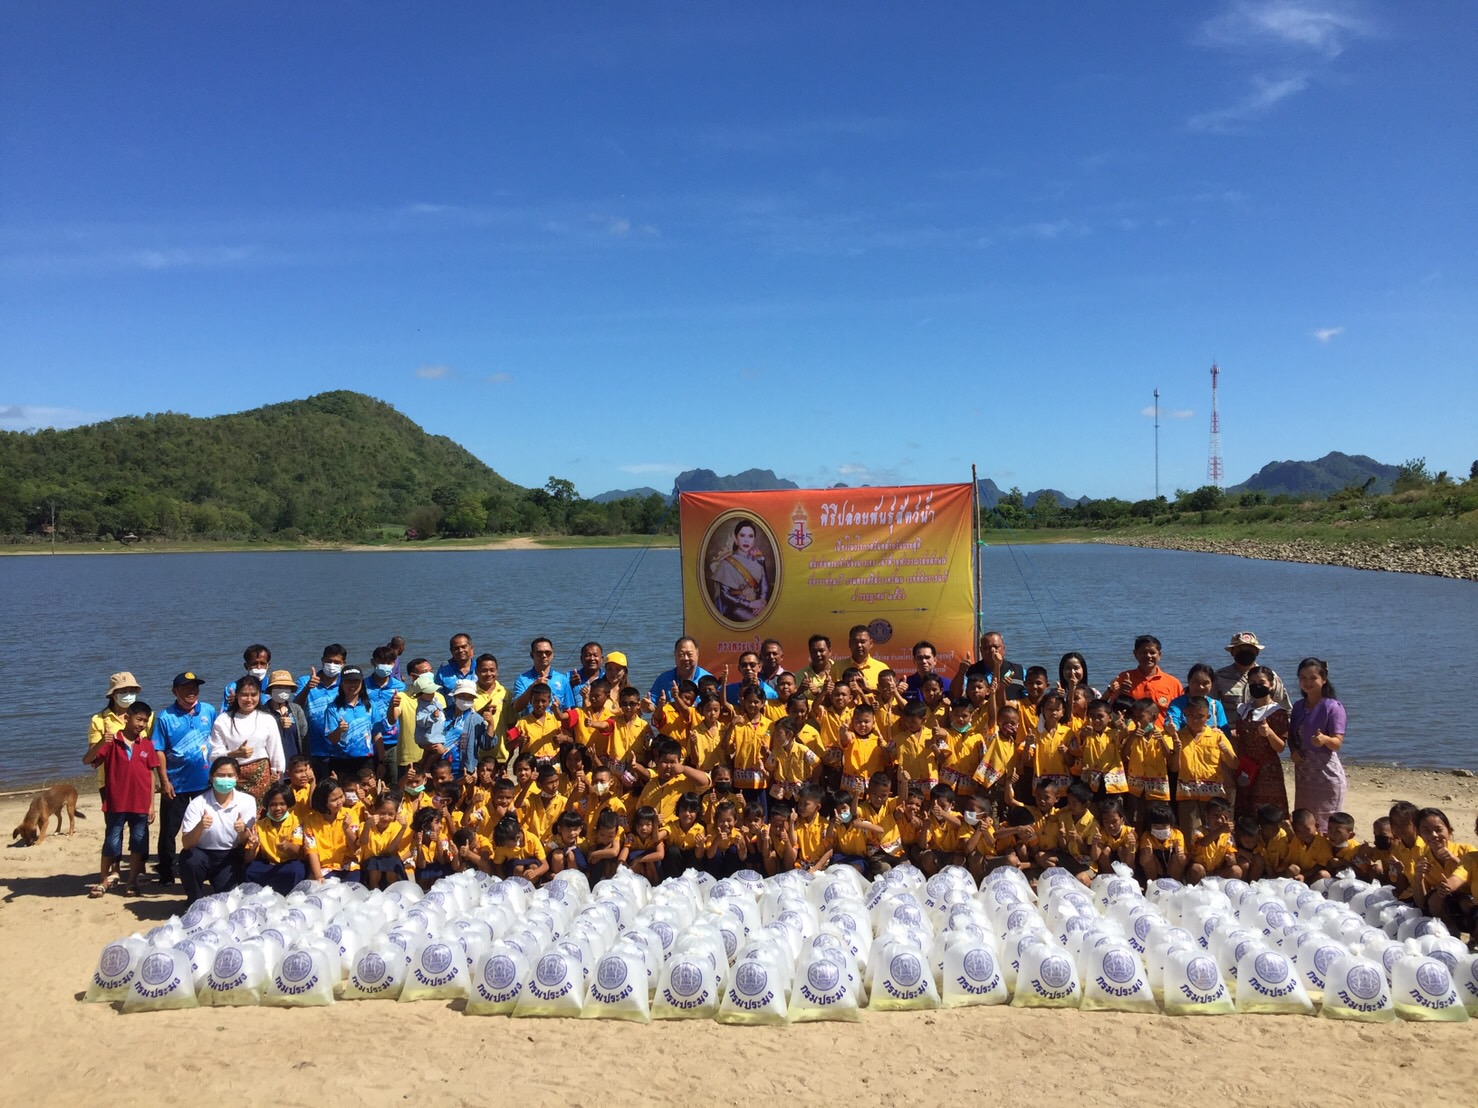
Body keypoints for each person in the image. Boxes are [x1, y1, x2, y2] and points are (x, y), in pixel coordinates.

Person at [82, 699, 163, 898]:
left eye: (145, 721)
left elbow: (151, 775)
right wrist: (103, 741)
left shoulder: (146, 744)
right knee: (111, 842)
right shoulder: (112, 742)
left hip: (140, 804)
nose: (141, 725)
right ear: (127, 718)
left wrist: (152, 805)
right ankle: (103, 880)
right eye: (138, 719)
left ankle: (132, 882)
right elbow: (88, 760)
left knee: (138, 843)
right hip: (116, 803)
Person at [151, 671, 217, 887]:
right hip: (176, 784)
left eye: (195, 687)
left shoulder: (208, 710)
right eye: (187, 687)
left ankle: (205, 866)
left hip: (204, 782)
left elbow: (216, 741)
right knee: (170, 830)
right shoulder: (165, 717)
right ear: (175, 691)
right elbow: (158, 750)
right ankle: (166, 871)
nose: (192, 691)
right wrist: (164, 780)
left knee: (206, 826)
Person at [178, 755, 257, 903]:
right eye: (220, 775)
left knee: (228, 901)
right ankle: (194, 900)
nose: (225, 779)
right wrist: (200, 826)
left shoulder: (247, 801)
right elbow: (187, 844)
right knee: (190, 859)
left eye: (230, 775)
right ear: (211, 777)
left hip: (229, 856)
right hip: (202, 854)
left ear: (237, 778)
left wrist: (242, 830)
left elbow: (245, 842)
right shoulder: (198, 803)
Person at [1288, 657, 1347, 832]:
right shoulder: (1298, 706)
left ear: (1324, 679)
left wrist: (1325, 740)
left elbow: (1337, 743)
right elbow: (1291, 736)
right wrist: (1293, 750)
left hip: (1326, 775)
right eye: (1303, 678)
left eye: (1313, 678)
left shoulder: (1334, 707)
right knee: (1304, 822)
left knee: (1328, 827)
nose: (1307, 682)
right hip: (1304, 774)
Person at [209, 674, 285, 805]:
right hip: (232, 777)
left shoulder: (267, 719)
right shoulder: (223, 720)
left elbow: (275, 751)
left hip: (262, 777)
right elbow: (214, 754)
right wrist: (234, 754)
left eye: (254, 695)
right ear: (237, 695)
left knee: (262, 815)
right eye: (244, 695)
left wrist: (277, 773)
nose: (249, 699)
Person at [1229, 665, 1289, 820]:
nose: (1257, 685)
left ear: (1271, 684)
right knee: (1245, 811)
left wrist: (1269, 733)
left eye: (1261, 682)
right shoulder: (1243, 710)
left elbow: (1280, 747)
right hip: (1246, 767)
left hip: (1267, 770)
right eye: (1253, 682)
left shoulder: (1278, 713)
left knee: (1269, 815)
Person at [1212, 631, 1291, 722]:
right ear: (1232, 652)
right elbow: (1211, 707)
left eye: (1250, 650)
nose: (1245, 653)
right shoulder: (1219, 677)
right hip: (1229, 730)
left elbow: (1284, 708)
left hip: (1264, 730)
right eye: (1240, 649)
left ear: (1257, 652)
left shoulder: (1270, 677)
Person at [243, 783, 306, 894]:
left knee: (296, 869)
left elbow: (299, 851)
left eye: (282, 804)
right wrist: (252, 848)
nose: (278, 808)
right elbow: (248, 859)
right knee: (249, 870)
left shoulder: (296, 822)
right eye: (273, 804)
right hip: (268, 865)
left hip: (288, 864)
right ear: (267, 806)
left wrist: (288, 846)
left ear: (288, 805)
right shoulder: (259, 825)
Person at [320, 666, 380, 782]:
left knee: (367, 795)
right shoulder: (332, 708)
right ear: (341, 683)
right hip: (340, 761)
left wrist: (381, 761)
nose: (352, 685)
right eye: (348, 681)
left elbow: (377, 734)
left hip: (366, 760)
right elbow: (332, 740)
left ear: (362, 683)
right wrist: (339, 730)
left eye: (356, 681)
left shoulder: (370, 706)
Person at [1108, 635, 1183, 727]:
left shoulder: (1173, 683)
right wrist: (1120, 693)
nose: (1148, 656)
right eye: (1143, 652)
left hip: (1162, 736)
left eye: (1152, 653)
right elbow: (1109, 711)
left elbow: (1181, 713)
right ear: (1135, 654)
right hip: (1131, 736)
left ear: (1159, 655)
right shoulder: (1123, 678)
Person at [708, 517, 769, 621]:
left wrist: (761, 602)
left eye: (750, 536)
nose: (746, 540)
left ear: (754, 541)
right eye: (742, 535)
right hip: (735, 608)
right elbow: (725, 595)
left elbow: (764, 587)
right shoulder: (726, 564)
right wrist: (750, 604)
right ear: (736, 540)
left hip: (757, 605)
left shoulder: (758, 561)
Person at [364, 644, 406, 786]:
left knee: (394, 783)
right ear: (373, 662)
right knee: (370, 783)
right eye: (381, 662)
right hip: (369, 742)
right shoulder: (363, 686)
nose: (385, 666)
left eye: (389, 663)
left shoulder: (400, 687)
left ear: (394, 664)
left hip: (393, 742)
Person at [953, 630, 1025, 701]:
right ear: (981, 651)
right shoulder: (971, 671)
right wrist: (961, 672)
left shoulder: (1019, 670)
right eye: (987, 648)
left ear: (1004, 649)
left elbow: (1031, 698)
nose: (992, 650)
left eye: (996, 647)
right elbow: (955, 696)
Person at [512, 637, 574, 713]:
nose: (544, 656)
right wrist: (533, 686)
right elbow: (516, 708)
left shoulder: (562, 679)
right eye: (539, 653)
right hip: (531, 723)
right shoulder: (522, 679)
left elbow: (568, 709)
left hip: (556, 723)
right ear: (532, 655)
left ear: (552, 655)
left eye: (548, 653)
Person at [648, 636, 712, 703]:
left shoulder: (708, 679)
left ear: (697, 654)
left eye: (689, 654)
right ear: (675, 655)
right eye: (681, 655)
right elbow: (651, 703)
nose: (686, 658)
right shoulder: (663, 679)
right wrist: (647, 706)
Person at [262, 669, 306, 764]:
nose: (282, 690)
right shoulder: (262, 712)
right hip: (272, 763)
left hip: (295, 763)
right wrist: (278, 725)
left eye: (286, 687)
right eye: (278, 687)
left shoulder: (296, 709)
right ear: (270, 690)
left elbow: (304, 737)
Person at [831, 625, 888, 690]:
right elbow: (830, 695)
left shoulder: (882, 668)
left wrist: (869, 689)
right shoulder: (836, 668)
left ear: (871, 643)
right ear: (849, 643)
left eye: (863, 642)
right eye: (855, 642)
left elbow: (887, 695)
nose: (859, 645)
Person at [220, 643, 272, 713]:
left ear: (268, 665)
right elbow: (225, 713)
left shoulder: (273, 686)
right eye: (254, 664)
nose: (259, 667)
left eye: (262, 663)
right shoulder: (233, 687)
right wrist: (235, 703)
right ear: (246, 666)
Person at [436, 633, 476, 697]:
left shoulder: (481, 669)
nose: (460, 650)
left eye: (463, 647)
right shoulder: (443, 672)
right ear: (451, 651)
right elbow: (437, 697)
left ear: (471, 648)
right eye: (456, 648)